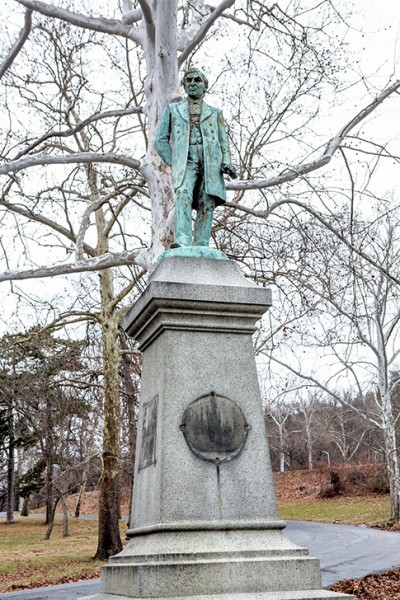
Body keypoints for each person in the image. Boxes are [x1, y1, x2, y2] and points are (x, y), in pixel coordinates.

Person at [154, 68, 237, 248]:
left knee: (206, 199)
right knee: (183, 193)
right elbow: (160, 140)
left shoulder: (216, 113)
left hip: (211, 163)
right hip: (186, 161)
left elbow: (223, 142)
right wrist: (175, 162)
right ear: (184, 85)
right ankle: (183, 238)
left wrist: (227, 162)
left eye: (197, 80)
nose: (192, 83)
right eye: (188, 80)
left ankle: (202, 243)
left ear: (205, 86)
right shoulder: (173, 110)